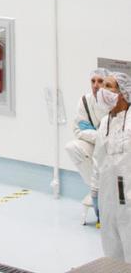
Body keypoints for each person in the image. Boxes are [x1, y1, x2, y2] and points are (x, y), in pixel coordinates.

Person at [91, 71, 131, 260]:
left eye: (108, 86)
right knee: (110, 243)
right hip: (108, 194)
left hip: (129, 194)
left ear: (122, 92)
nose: (101, 89)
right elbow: (98, 158)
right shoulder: (105, 122)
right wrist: (95, 189)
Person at [66, 67, 109, 210]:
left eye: (100, 81)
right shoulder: (85, 101)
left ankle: (107, 192)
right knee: (72, 147)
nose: (96, 85)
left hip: (112, 147)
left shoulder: (113, 102)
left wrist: (96, 133)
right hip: (95, 143)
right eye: (93, 81)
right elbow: (78, 130)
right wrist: (99, 136)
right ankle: (97, 189)